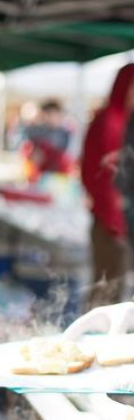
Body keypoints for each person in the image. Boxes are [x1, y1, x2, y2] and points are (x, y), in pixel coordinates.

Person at [81, 64, 134, 308]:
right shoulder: (110, 122)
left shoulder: (123, 121)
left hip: (118, 222)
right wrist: (114, 220)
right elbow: (97, 176)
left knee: (114, 290)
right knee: (106, 293)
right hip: (110, 224)